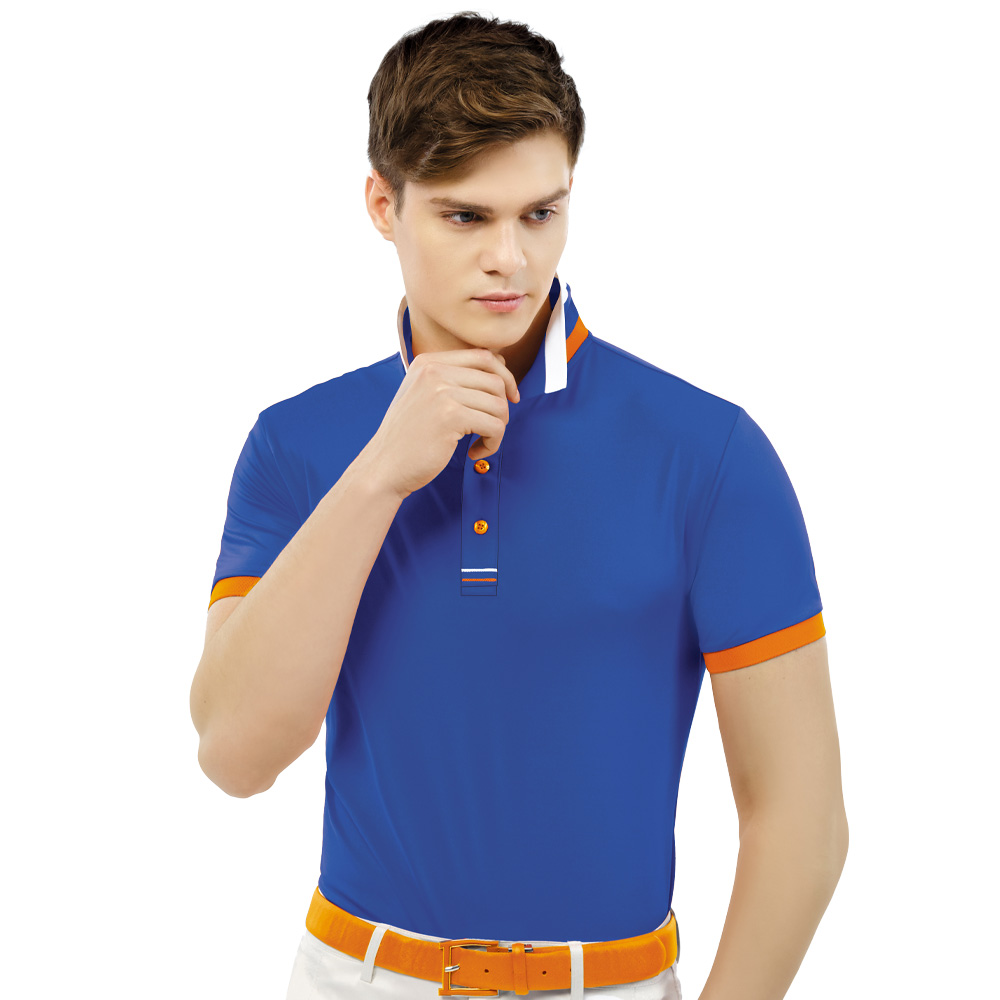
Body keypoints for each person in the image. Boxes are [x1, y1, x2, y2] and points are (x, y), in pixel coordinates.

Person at [189, 11, 849, 1000]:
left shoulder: (708, 454)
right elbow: (235, 755)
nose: (511, 258)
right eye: (466, 217)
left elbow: (802, 817)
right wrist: (380, 475)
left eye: (540, 213)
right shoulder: (297, 444)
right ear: (382, 204)